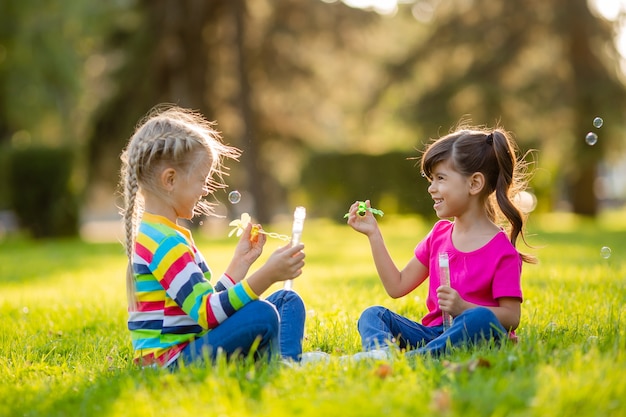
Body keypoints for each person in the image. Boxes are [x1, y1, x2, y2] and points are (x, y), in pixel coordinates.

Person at [119, 105, 307, 368]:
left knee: (286, 301)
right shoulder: (165, 243)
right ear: (170, 180)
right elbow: (208, 314)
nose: (206, 190)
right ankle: (283, 362)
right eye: (201, 179)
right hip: (172, 363)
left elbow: (200, 309)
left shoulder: (162, 233)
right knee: (262, 314)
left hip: (193, 344)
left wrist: (240, 264)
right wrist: (268, 275)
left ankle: (283, 361)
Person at [345, 123, 537, 358]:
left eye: (440, 178)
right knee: (374, 315)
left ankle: (419, 357)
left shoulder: (502, 250)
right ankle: (381, 354)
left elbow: (511, 317)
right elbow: (396, 286)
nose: (431, 188)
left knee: (480, 318)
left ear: (474, 183)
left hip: (474, 335)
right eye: (430, 180)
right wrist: (374, 235)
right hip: (434, 334)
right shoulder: (439, 236)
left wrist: (463, 308)